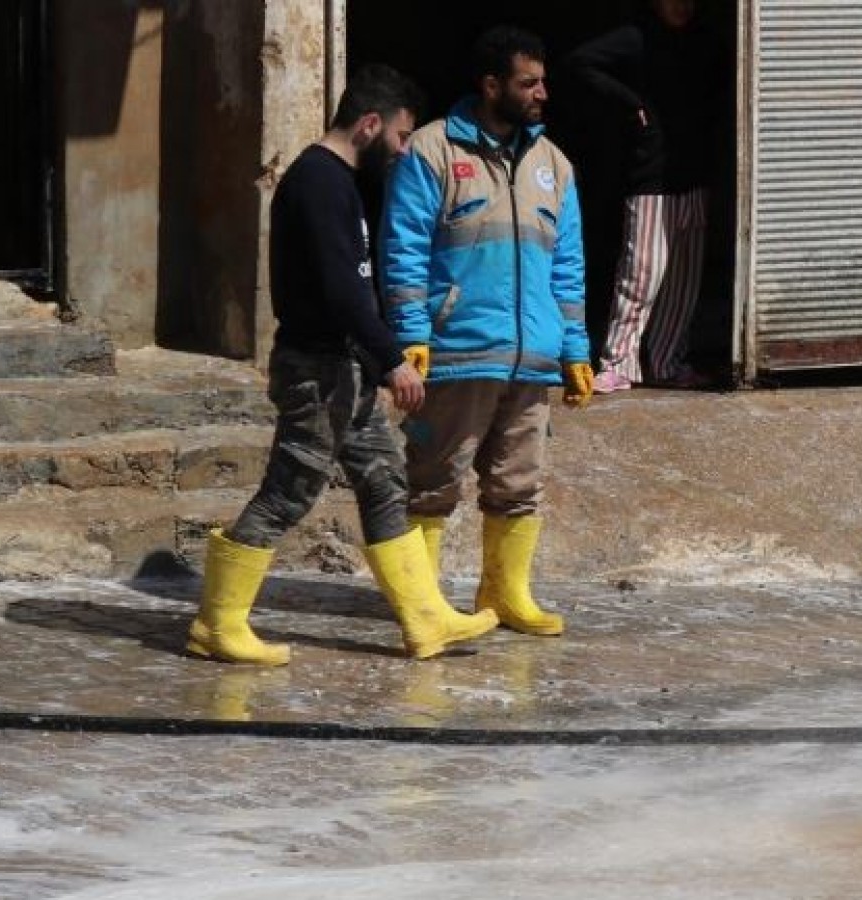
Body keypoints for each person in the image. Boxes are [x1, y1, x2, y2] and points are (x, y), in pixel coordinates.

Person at [186, 64, 500, 666]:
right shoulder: (318, 182)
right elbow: (342, 290)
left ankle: (424, 618)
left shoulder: (337, 182)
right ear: (370, 124)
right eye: (403, 137)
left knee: (384, 478)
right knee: (289, 491)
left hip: (344, 366)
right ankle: (217, 623)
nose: (406, 151)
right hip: (318, 369)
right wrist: (392, 361)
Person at [383, 26, 594, 639]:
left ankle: (505, 594)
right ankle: (422, 604)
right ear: (491, 85)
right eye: (529, 83)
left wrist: (575, 349)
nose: (542, 94)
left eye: (543, 82)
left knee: (519, 483)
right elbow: (404, 250)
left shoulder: (554, 164)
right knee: (433, 482)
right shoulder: (431, 152)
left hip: (531, 358)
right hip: (457, 351)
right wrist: (412, 333)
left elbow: (569, 265)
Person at [561, 0, 724, 392]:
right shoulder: (637, 37)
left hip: (695, 174)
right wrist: (631, 103)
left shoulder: (704, 40)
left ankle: (668, 361)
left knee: (683, 279)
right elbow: (580, 62)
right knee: (642, 273)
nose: (682, 6)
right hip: (652, 177)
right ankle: (618, 360)